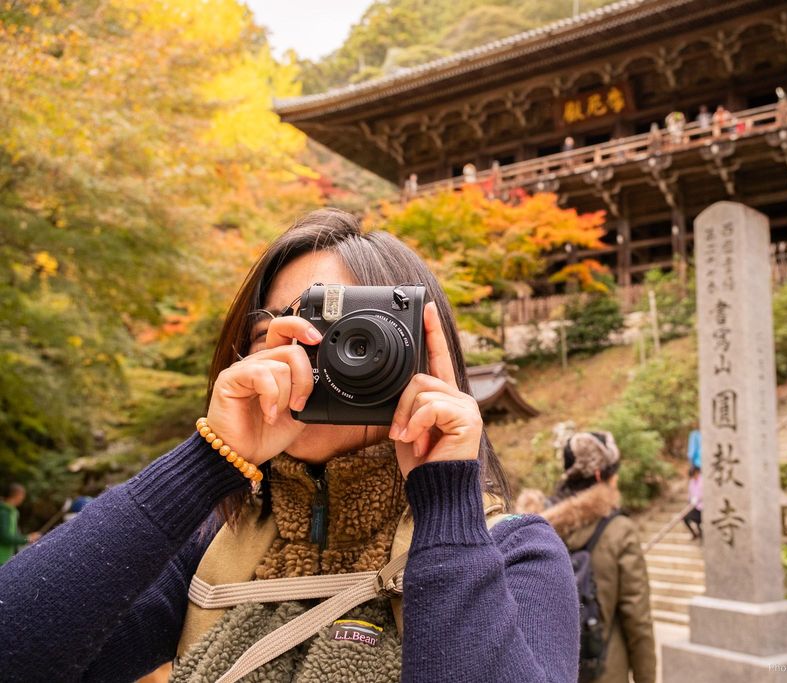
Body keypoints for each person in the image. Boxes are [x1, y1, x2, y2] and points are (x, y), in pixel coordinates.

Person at [0, 208, 579, 682]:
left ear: (425, 355)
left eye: (359, 332)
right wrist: (206, 462)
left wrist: (446, 503)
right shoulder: (212, 551)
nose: (320, 357)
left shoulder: (511, 554)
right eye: (282, 333)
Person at [542, 431, 656, 683]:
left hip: (553, 671)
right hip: (605, 672)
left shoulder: (538, 527)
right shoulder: (618, 530)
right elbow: (637, 620)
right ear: (598, 475)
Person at [1, 483, 38, 566]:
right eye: (22, 495)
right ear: (17, 495)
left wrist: (27, 538)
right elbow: (5, 537)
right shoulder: (4, 512)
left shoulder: (12, 511)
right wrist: (27, 539)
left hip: (6, 556)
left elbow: (13, 534)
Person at [682, 466, 702, 542]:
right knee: (685, 518)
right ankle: (695, 534)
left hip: (703, 507)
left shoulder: (703, 480)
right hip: (695, 507)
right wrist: (691, 501)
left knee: (699, 522)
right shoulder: (692, 482)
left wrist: (697, 499)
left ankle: (701, 535)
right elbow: (690, 495)